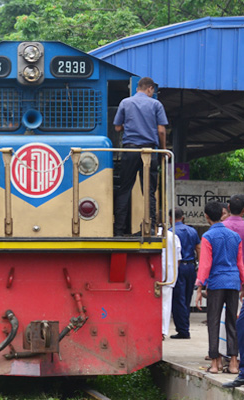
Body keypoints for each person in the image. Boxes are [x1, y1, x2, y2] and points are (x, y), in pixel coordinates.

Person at [112, 77, 168, 236]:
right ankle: (150, 227)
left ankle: (119, 230)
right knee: (149, 190)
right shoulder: (156, 104)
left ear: (138, 88)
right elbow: (161, 131)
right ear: (150, 88)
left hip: (130, 150)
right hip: (149, 152)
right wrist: (163, 151)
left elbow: (117, 128)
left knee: (125, 189)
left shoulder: (125, 102)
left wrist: (128, 126)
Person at [195, 201, 244, 374]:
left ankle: (215, 364)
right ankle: (233, 363)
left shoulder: (208, 237)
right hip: (233, 282)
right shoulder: (234, 236)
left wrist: (200, 285)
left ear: (207, 216)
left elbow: (206, 264)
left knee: (214, 322)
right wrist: (243, 283)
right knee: (232, 322)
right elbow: (240, 263)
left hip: (216, 283)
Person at [170, 208, 201, 339]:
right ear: (182, 217)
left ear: (170, 218)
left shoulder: (170, 232)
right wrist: (199, 264)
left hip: (179, 267)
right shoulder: (192, 230)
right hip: (191, 267)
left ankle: (183, 330)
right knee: (187, 298)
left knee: (178, 299)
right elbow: (198, 248)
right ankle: (185, 326)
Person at [161, 227, 181, 339]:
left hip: (153, 273)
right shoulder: (173, 236)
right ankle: (163, 331)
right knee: (166, 304)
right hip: (169, 275)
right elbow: (178, 258)